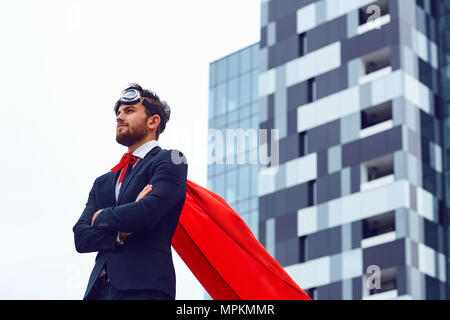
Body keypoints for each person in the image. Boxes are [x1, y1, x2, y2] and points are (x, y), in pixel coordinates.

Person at [73, 83, 188, 300]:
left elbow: (149, 211)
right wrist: (120, 232)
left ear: (153, 121)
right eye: (118, 112)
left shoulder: (171, 160)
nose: (119, 117)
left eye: (129, 111)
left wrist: (101, 217)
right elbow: (81, 237)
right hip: (97, 292)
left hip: (145, 288)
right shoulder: (103, 182)